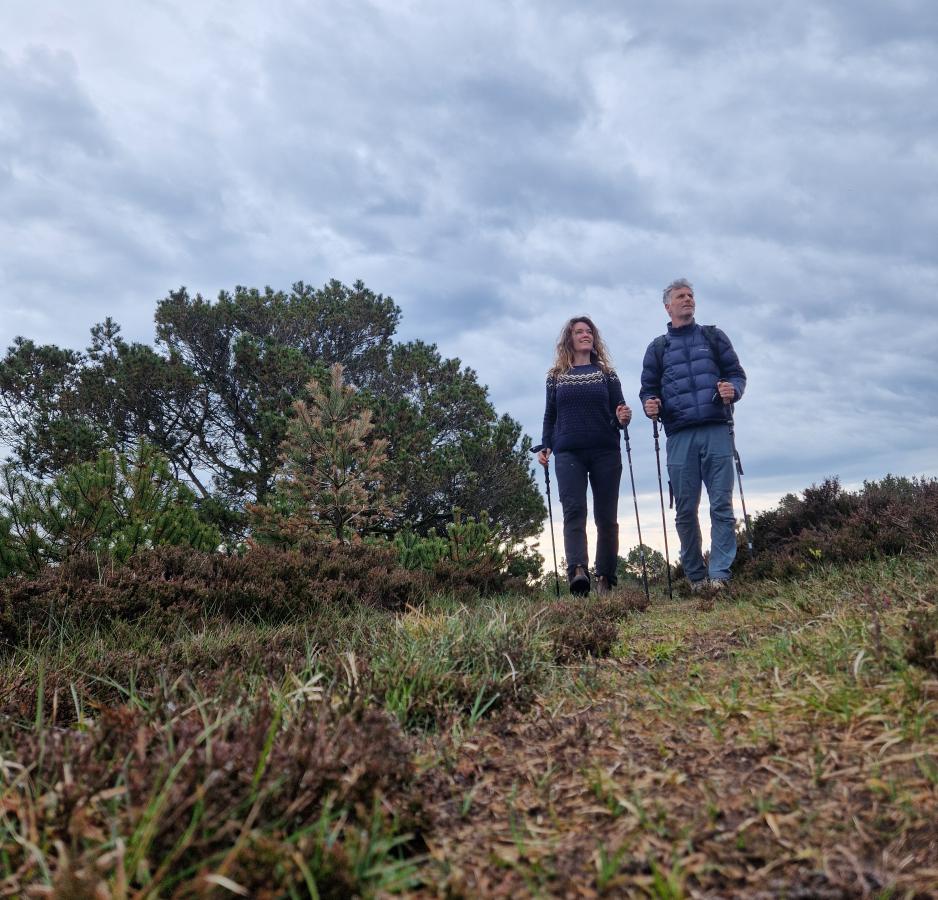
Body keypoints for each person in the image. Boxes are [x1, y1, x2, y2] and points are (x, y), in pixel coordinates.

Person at [640, 278, 746, 593]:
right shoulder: (657, 348)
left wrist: (733, 390)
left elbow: (737, 374)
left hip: (716, 429)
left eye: (690, 295)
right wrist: (650, 405)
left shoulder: (714, 337)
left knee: (721, 506)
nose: (687, 299)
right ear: (667, 306)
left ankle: (720, 575)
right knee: (685, 510)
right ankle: (697, 578)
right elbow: (648, 389)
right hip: (679, 436)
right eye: (680, 296)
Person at [538, 316, 631, 595]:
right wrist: (546, 446)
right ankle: (578, 571)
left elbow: (620, 412)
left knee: (606, 516)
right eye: (579, 332)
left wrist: (623, 417)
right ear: (569, 338)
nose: (585, 335)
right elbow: (550, 416)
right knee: (574, 512)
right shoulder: (555, 377)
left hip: (605, 449)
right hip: (568, 452)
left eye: (589, 331)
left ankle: (605, 578)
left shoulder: (607, 374)